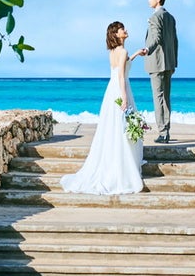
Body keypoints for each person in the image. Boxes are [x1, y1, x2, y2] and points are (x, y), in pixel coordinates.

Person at [60, 20, 145, 196]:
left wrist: (136, 54)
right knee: (122, 128)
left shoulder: (114, 51)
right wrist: (124, 97)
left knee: (113, 128)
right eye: (122, 29)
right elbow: (122, 75)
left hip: (111, 90)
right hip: (120, 89)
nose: (125, 30)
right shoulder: (122, 51)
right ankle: (122, 169)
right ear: (116, 33)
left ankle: (114, 162)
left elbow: (123, 66)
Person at [135, 0, 178, 143]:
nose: (149, 1)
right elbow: (174, 42)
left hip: (157, 63)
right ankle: (166, 131)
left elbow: (157, 38)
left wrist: (147, 49)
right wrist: (174, 62)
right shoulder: (171, 17)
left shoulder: (155, 17)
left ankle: (162, 132)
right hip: (168, 63)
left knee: (158, 98)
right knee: (166, 98)